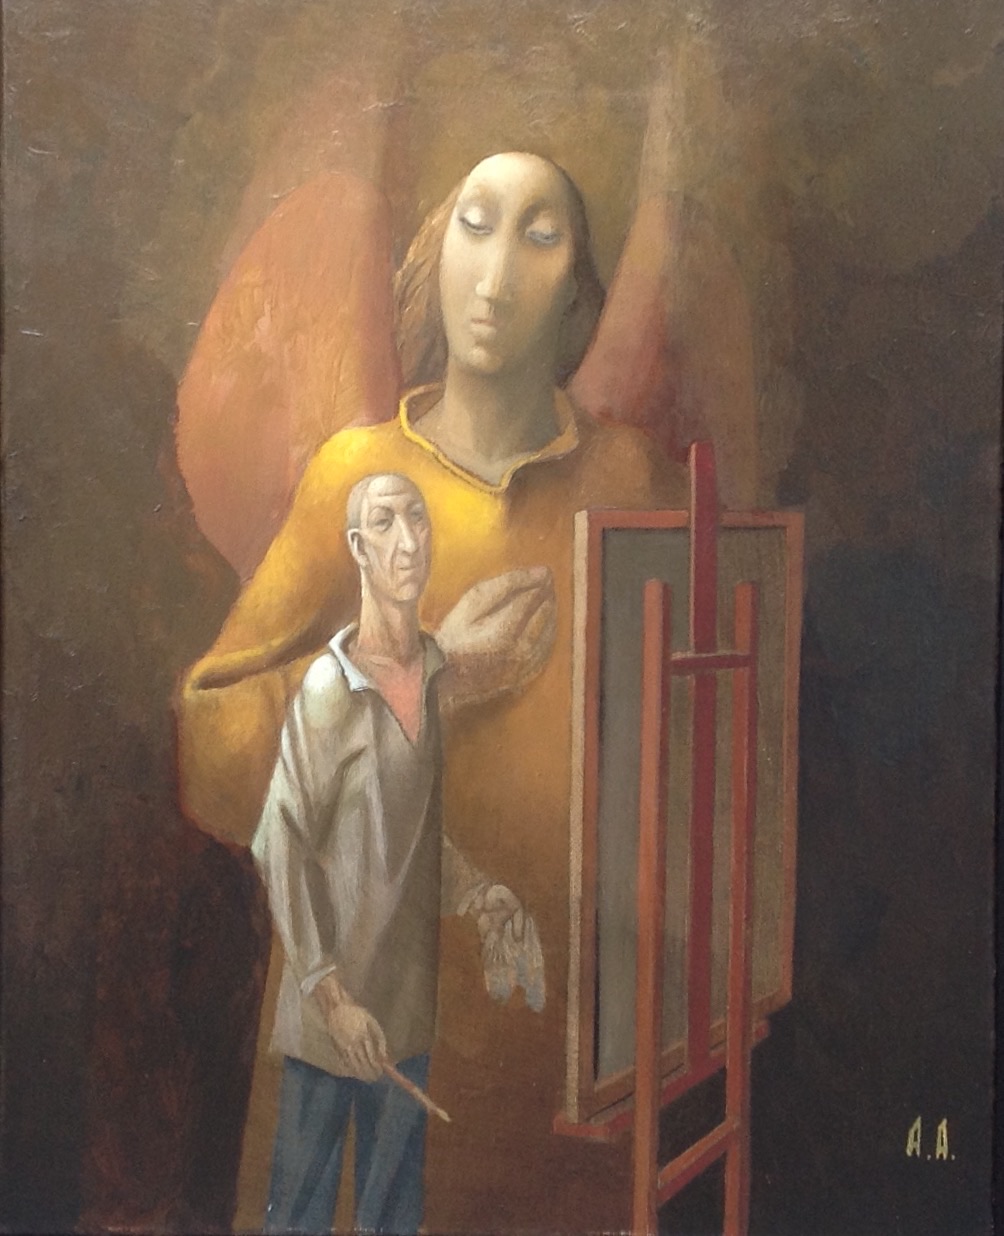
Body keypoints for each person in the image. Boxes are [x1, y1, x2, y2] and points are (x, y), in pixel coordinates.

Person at [177, 152, 687, 1232]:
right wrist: (431, 674)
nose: (496, 273)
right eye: (475, 223)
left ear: (579, 295)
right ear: (431, 260)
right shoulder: (353, 479)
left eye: (538, 236)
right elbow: (213, 750)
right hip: (362, 1025)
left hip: (568, 1067)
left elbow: (692, 775)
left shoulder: (632, 484)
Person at [252, 471, 541, 1234]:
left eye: (418, 519)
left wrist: (481, 892)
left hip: (405, 1024)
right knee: (300, 1220)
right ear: (357, 547)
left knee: (392, 1222)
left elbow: (402, 834)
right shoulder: (329, 688)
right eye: (384, 523)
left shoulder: (432, 674)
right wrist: (332, 998)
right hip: (331, 1027)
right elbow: (280, 841)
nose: (408, 541)